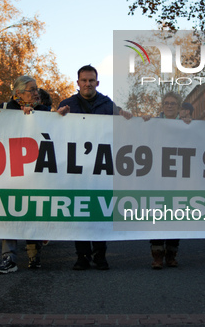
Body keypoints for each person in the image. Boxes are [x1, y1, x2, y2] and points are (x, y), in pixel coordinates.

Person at [57, 64, 132, 270]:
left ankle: (100, 256)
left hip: (101, 167)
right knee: (79, 212)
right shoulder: (67, 104)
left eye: (91, 80)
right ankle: (82, 256)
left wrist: (127, 119)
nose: (88, 84)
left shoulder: (109, 105)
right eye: (84, 80)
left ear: (97, 83)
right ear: (78, 82)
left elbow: (122, 130)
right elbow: (54, 130)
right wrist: (57, 116)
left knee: (99, 210)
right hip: (77, 167)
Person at [0, 76, 47, 274]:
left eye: (36, 89)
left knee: (33, 210)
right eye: (31, 89)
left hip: (34, 170)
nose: (36, 93)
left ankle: (34, 254)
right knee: (10, 211)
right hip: (10, 170)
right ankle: (8, 257)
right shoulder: (4, 109)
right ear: (18, 93)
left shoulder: (43, 110)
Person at [148, 92, 186, 269]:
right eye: (166, 103)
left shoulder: (188, 125)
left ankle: (171, 254)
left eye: (173, 103)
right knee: (156, 215)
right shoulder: (153, 124)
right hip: (157, 176)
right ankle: (157, 255)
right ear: (162, 106)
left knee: (175, 216)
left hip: (178, 178)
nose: (169, 106)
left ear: (178, 107)